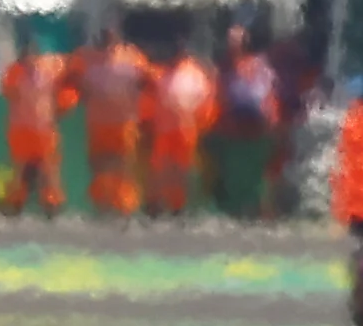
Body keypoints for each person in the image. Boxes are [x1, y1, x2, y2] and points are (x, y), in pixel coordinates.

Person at [63, 26, 154, 221]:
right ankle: (102, 205)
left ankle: (124, 207)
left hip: (124, 122)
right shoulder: (86, 59)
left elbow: (149, 81)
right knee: (100, 165)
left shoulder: (132, 58)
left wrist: (143, 108)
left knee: (122, 166)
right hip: (98, 122)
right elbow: (70, 79)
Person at [211, 24, 281, 220]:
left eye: (236, 40)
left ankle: (261, 210)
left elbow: (266, 94)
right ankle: (234, 208)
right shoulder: (224, 68)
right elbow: (220, 94)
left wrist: (270, 120)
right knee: (234, 169)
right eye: (229, 40)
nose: (231, 44)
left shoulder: (258, 65)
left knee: (258, 170)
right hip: (232, 126)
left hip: (256, 126)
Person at [0, 44, 73, 218]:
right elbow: (8, 91)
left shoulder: (52, 67)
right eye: (25, 57)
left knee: (49, 168)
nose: (28, 60)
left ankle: (52, 204)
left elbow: (71, 74)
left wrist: (65, 102)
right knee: (20, 168)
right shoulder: (14, 72)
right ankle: (14, 203)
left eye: (31, 56)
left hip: (45, 127)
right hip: (21, 128)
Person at [144, 44, 216, 217]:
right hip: (163, 130)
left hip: (186, 130)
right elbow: (149, 99)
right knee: (160, 169)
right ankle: (156, 206)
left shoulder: (194, 74)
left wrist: (202, 124)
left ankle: (181, 207)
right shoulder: (160, 73)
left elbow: (206, 101)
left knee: (183, 169)